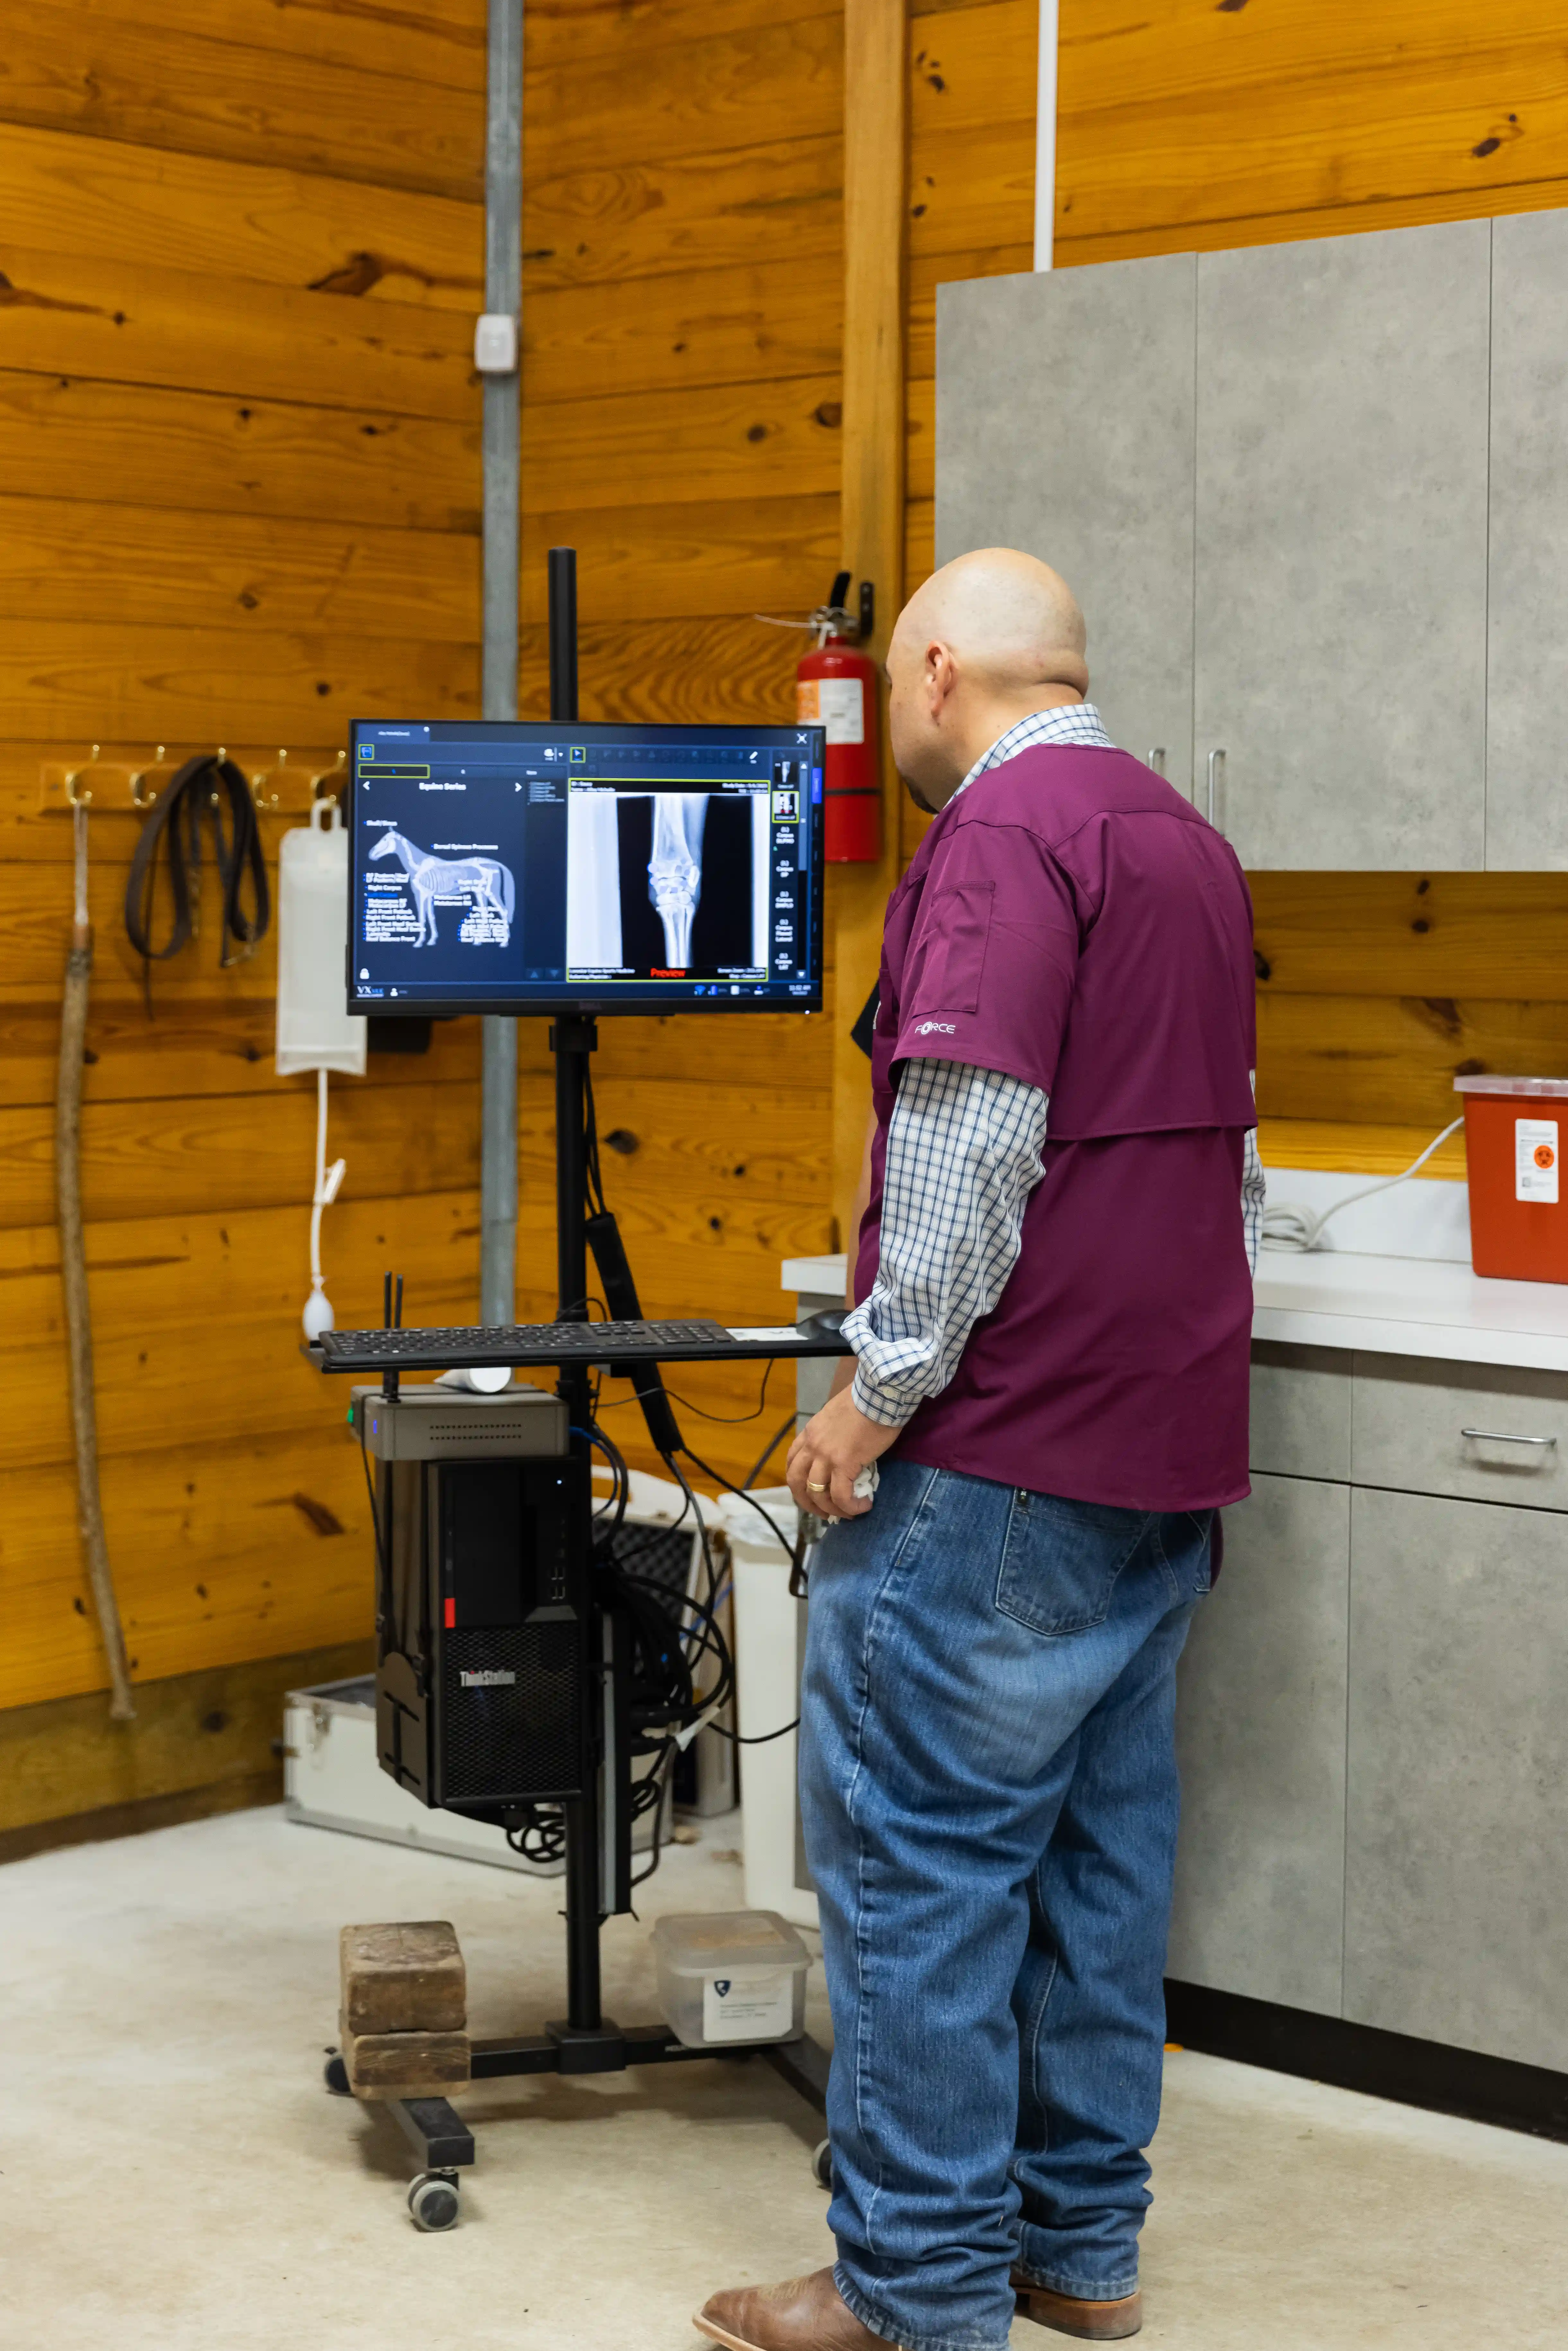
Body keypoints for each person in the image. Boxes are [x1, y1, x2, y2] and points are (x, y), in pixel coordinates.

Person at [695, 549, 1265, 2351]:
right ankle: (1078, 2252)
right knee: (1100, 1870)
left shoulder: (1003, 846)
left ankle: (918, 2289)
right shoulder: (1180, 836)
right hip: (1164, 1464)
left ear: (932, 669)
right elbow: (1225, 1163)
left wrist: (875, 1390)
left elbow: (965, 1149)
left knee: (921, 1879)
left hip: (1002, 1461)